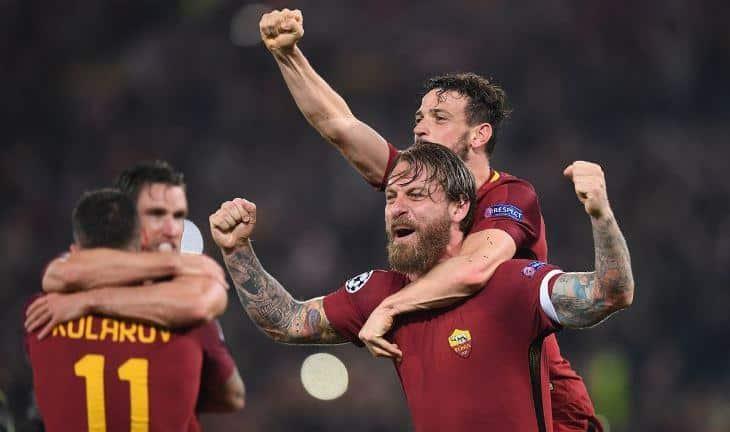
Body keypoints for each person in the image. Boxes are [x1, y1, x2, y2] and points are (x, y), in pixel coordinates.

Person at [259, 9, 600, 431]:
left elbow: (474, 267)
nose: (421, 128)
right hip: (459, 383)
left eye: (439, 118)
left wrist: (388, 307)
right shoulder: (415, 180)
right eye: (419, 118)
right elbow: (340, 126)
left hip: (541, 400)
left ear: (479, 134)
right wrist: (288, 55)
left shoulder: (509, 195)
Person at [211, 143, 634, 431]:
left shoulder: (509, 285)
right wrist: (236, 250)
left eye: (415, 195)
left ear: (459, 206)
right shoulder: (379, 292)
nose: (397, 207)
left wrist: (601, 215)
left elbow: (610, 292)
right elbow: (286, 320)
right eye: (391, 197)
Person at [27, 160, 245, 414]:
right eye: (156, 214)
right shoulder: (186, 305)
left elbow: (234, 397)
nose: (172, 230)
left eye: (178, 216)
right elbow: (57, 274)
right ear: (125, 217)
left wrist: (87, 301)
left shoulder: (72, 291)